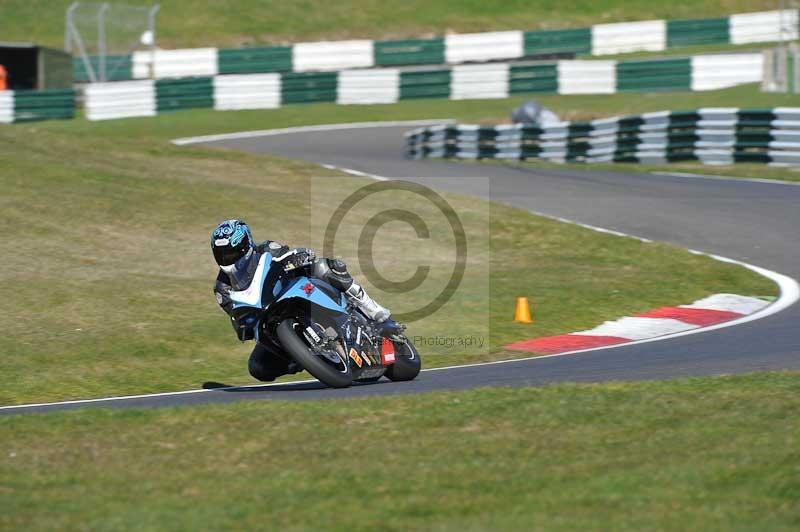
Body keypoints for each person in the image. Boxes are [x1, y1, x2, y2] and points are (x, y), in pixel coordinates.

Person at [211, 219, 391, 381]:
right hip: (269, 321)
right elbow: (236, 317)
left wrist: (299, 256)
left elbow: (289, 254)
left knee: (324, 267)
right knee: (258, 367)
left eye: (231, 253)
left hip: (296, 292)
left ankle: (369, 306)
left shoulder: (266, 249)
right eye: (222, 255)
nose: (227, 258)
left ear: (245, 245)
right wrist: (244, 327)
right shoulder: (222, 288)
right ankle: (304, 358)